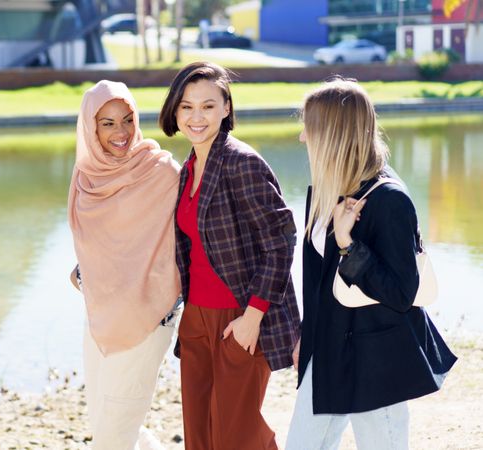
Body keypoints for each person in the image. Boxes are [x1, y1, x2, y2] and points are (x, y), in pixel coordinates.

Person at [286, 78, 457, 449]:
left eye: (309, 127)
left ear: (334, 133)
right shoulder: (326, 188)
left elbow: (400, 293)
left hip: (376, 356)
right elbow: (317, 280)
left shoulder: (389, 199)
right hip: (328, 349)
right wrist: (306, 335)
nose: (302, 137)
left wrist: (348, 244)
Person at [158, 61, 300, 449]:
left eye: (207, 105)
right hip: (196, 323)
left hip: (240, 318)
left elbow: (281, 241)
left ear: (226, 108)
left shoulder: (243, 163)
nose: (196, 117)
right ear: (174, 111)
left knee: (237, 436)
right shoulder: (187, 169)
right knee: (200, 438)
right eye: (186, 107)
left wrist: (252, 317)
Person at [67, 80, 181, 450]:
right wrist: (84, 269)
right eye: (108, 123)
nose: (121, 132)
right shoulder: (86, 176)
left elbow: (188, 237)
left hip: (147, 319)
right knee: (107, 425)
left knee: (112, 439)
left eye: (127, 119)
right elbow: (106, 241)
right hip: (100, 317)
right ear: (90, 127)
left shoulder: (161, 171)